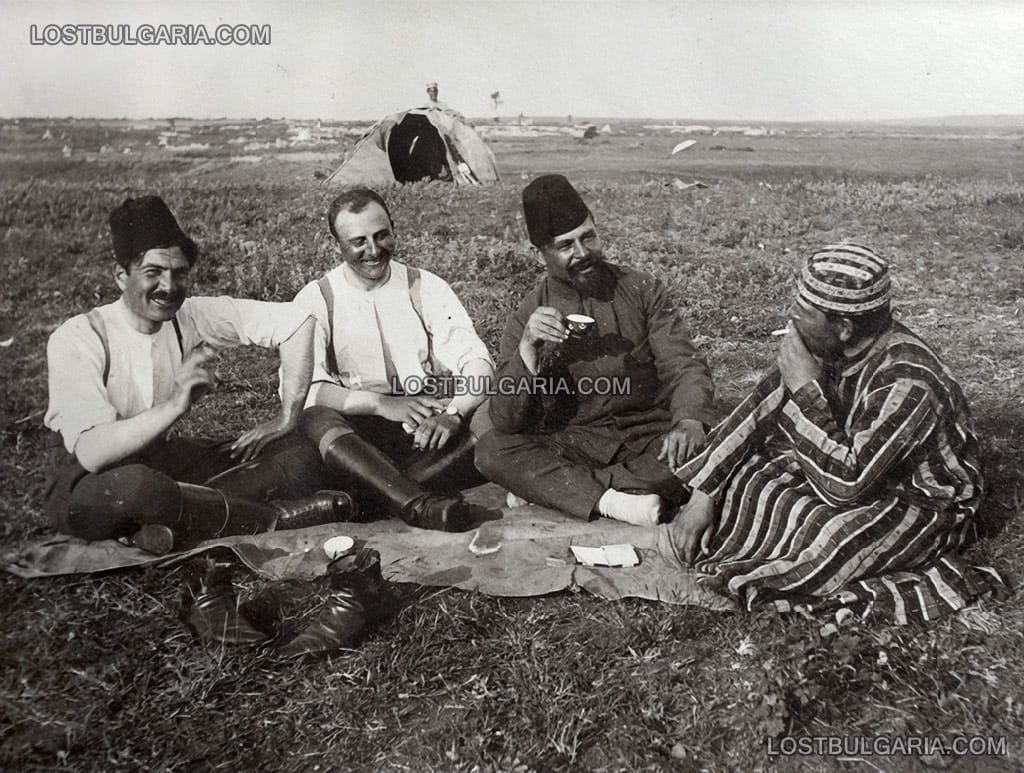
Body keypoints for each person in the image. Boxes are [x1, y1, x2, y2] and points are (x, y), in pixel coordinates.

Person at [664, 243, 1003, 623]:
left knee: (832, 538)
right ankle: (740, 537)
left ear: (844, 327)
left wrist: (806, 390)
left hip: (918, 502)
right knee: (750, 473)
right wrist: (702, 498)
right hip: (847, 471)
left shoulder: (907, 380)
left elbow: (847, 488)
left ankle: (754, 563)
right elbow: (753, 416)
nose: (791, 318)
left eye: (803, 312)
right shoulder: (825, 347)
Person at [44, 195, 355, 555]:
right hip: (87, 482)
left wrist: (286, 418)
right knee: (142, 488)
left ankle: (173, 525)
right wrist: (176, 405)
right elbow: (93, 452)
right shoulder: (80, 336)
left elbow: (297, 322)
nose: (169, 286)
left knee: (296, 451)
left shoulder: (189, 316)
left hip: (160, 461)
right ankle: (273, 519)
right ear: (121, 275)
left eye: (179, 273)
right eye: (153, 272)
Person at [475, 174, 716, 526]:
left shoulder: (642, 290)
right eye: (566, 245)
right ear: (541, 251)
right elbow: (506, 419)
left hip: (649, 438)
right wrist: (528, 349)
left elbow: (684, 364)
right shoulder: (529, 314)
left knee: (707, 447)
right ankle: (615, 501)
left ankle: (561, 491)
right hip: (576, 444)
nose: (583, 253)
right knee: (492, 451)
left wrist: (690, 419)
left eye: (588, 237)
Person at [295, 189, 497, 532]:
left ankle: (371, 498)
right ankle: (418, 504)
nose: (373, 251)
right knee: (315, 416)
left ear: (394, 228)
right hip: (357, 436)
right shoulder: (316, 298)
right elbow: (305, 388)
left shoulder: (425, 286)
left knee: (498, 408)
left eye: (381, 235)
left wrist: (453, 414)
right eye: (358, 241)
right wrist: (381, 404)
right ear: (335, 245)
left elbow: (477, 362)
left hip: (427, 427)